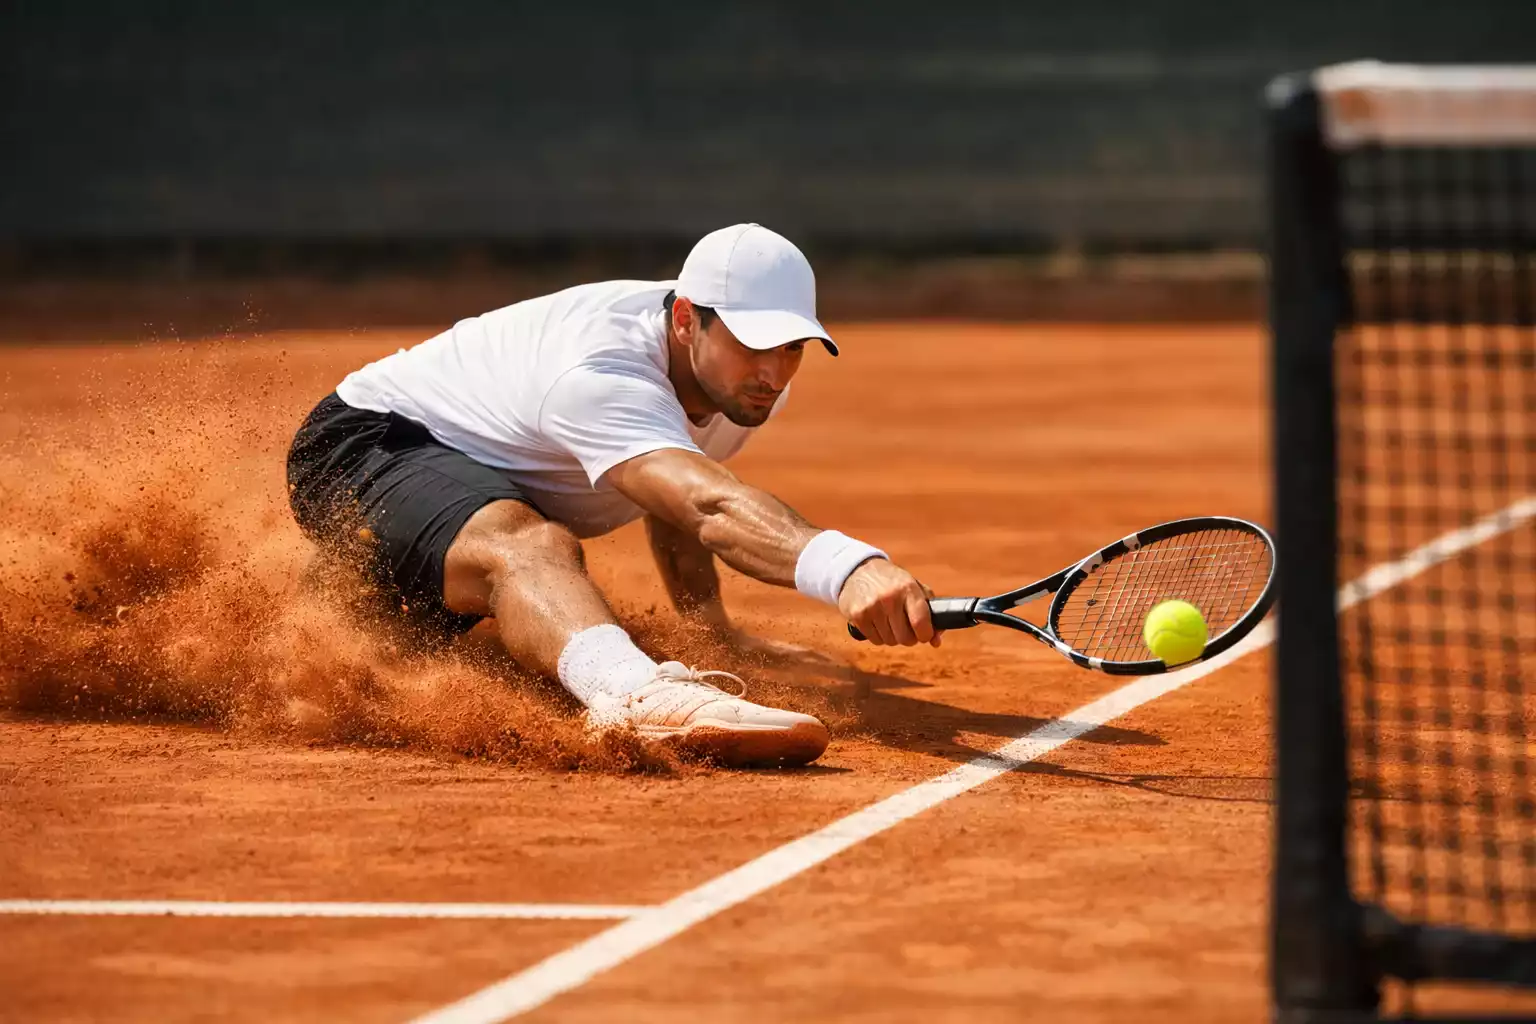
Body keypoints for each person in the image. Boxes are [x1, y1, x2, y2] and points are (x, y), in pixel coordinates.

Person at [286, 223, 939, 767]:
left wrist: (711, 631)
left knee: (374, 644)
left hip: (465, 484)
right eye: (752, 343)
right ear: (687, 320)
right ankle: (634, 697)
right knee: (530, 544)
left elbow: (678, 487)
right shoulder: (599, 373)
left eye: (793, 346)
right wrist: (848, 566)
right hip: (368, 444)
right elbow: (706, 504)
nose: (773, 370)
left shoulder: (738, 383)